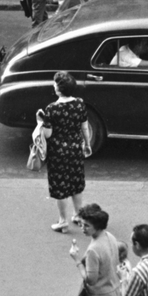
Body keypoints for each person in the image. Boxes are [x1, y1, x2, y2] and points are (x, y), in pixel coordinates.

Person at [39, 72, 90, 232]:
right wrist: (87, 144)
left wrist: (41, 122)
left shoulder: (51, 109)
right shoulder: (80, 104)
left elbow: (48, 134)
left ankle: (63, 221)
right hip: (75, 149)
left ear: (59, 89)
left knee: (60, 187)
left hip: (58, 152)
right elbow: (84, 127)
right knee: (76, 183)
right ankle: (78, 215)